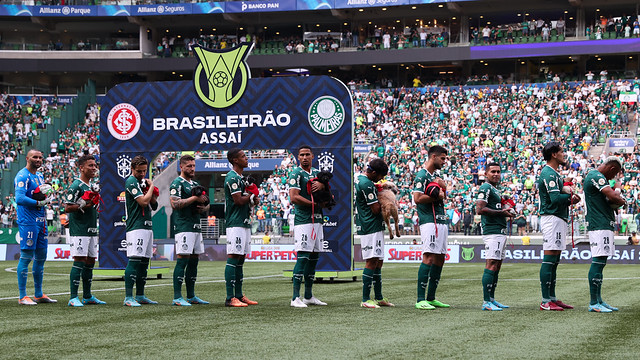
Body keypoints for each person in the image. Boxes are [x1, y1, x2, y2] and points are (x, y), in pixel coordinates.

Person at [537, 142, 580, 311]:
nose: (564, 155)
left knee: (555, 258)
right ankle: (545, 300)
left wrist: (565, 184)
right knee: (550, 257)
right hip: (551, 217)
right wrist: (571, 199)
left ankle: (552, 297)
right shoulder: (548, 173)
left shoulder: (554, 174)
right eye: (562, 152)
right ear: (554, 154)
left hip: (558, 217)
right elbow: (554, 199)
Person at [14, 149, 57, 305]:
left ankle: (38, 294)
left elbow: (39, 194)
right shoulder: (22, 175)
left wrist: (46, 198)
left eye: (40, 157)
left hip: (41, 220)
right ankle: (22, 296)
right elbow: (19, 198)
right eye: (35, 157)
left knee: (41, 256)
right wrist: (39, 202)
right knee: (26, 257)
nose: (38, 159)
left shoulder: (39, 176)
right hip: (28, 221)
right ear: (27, 158)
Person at [583, 156, 625, 312]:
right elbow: (614, 196)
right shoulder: (596, 176)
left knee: (601, 263)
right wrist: (622, 200)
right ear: (612, 169)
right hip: (598, 224)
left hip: (603, 223)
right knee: (598, 261)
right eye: (614, 174)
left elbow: (610, 199)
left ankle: (599, 300)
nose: (613, 178)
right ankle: (594, 302)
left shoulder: (599, 178)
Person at [65, 154, 106, 307]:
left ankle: (87, 296)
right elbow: (68, 207)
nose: (94, 168)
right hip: (80, 230)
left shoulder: (91, 186)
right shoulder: (76, 185)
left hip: (91, 228)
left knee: (90, 261)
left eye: (95, 165)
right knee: (79, 260)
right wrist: (84, 205)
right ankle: (73, 297)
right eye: (90, 165)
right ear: (81, 167)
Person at [289, 145, 327, 308]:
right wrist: (313, 203)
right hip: (304, 220)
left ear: (313, 156)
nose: (304, 157)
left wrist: (324, 187)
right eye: (301, 155)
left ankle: (308, 296)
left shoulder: (317, 173)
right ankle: (294, 297)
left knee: (314, 257)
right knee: (303, 256)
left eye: (307, 154)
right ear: (298, 157)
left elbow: (327, 193)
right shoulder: (296, 173)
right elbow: (293, 197)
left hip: (317, 219)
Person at [169, 155, 210, 306]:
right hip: (184, 226)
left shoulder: (195, 184)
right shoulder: (177, 183)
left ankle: (191, 296)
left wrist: (204, 206)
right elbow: (174, 204)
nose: (192, 169)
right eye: (189, 166)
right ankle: (177, 297)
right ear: (181, 167)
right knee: (182, 260)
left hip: (196, 226)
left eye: (193, 166)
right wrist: (194, 199)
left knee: (194, 262)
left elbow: (206, 204)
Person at [414, 145, 451, 310]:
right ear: (433, 157)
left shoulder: (435, 176)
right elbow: (417, 198)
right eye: (442, 158)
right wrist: (436, 195)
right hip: (429, 221)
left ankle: (431, 297)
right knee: (428, 257)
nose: (444, 162)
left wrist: (444, 188)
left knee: (440, 258)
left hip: (441, 220)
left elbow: (442, 197)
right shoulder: (422, 175)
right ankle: (420, 299)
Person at [355, 158, 394, 308]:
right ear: (374, 173)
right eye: (380, 177)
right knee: (372, 261)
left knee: (378, 261)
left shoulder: (363, 180)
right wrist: (386, 202)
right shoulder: (366, 184)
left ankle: (378, 297)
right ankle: (365, 299)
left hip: (373, 225)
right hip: (370, 225)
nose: (381, 180)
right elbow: (376, 209)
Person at [476, 163, 514, 311]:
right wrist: (502, 213)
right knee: (491, 263)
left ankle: (492, 299)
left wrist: (507, 212)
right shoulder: (485, 188)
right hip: (492, 231)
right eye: (493, 172)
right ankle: (486, 301)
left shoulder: (496, 190)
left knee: (497, 265)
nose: (496, 174)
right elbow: (480, 209)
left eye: (498, 171)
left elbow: (496, 208)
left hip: (500, 229)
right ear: (486, 174)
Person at [224, 148, 259, 307]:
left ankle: (239, 294)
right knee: (233, 258)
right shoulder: (232, 177)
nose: (247, 158)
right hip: (235, 223)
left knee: (241, 259)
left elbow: (245, 200)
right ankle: (230, 297)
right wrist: (251, 197)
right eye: (243, 156)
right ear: (235, 160)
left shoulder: (241, 178)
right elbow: (238, 200)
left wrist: (252, 200)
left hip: (244, 222)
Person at [123, 155, 159, 307]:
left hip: (147, 225)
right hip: (136, 226)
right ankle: (128, 297)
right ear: (132, 169)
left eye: (144, 171)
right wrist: (151, 187)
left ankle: (140, 295)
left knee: (144, 262)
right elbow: (143, 203)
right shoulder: (131, 181)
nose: (142, 174)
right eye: (139, 171)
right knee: (135, 260)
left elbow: (155, 205)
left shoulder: (142, 182)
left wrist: (149, 189)